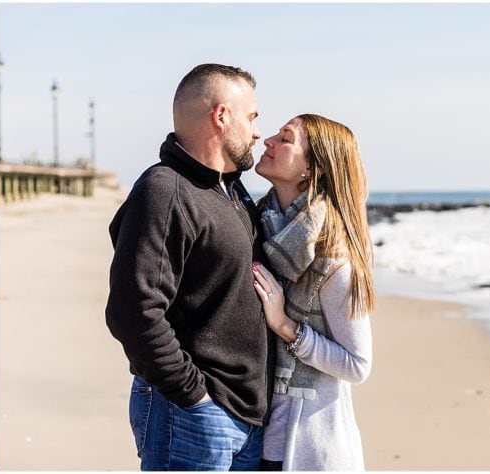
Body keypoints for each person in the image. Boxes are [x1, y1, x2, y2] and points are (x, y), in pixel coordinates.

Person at [105, 64, 273, 470]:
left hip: (244, 415)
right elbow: (133, 311)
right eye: (251, 118)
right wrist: (193, 396)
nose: (256, 133)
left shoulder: (230, 190)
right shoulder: (165, 190)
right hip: (194, 413)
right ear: (221, 116)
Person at [250, 114, 374, 471]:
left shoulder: (333, 257)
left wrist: (286, 325)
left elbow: (358, 364)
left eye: (285, 139)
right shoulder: (259, 227)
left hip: (310, 451)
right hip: (258, 438)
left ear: (311, 168)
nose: (267, 141)